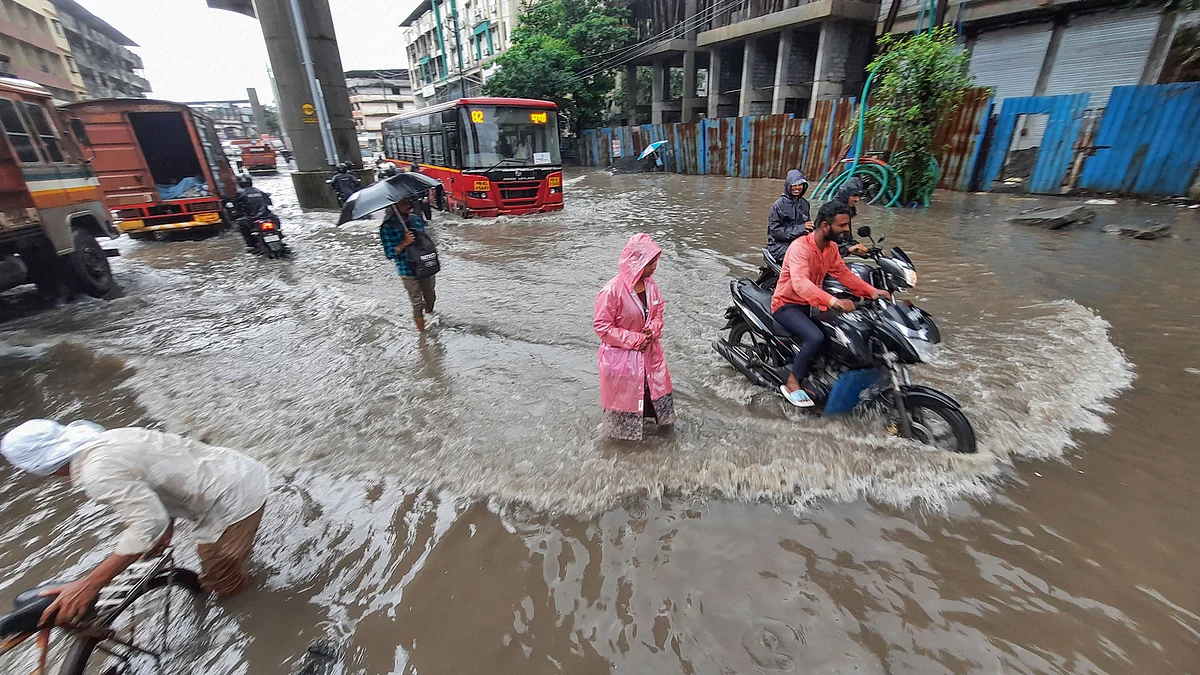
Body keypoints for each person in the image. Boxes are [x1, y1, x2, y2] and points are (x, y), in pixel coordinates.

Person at [0, 420, 270, 625]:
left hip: (234, 497)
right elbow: (166, 474)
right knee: (217, 555)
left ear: (40, 468)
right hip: (232, 468)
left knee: (222, 579)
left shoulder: (97, 473)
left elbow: (147, 525)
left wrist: (89, 584)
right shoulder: (111, 438)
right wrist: (167, 525)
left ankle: (260, 609)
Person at [771, 202, 891, 407]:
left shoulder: (831, 248)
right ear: (825, 226)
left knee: (842, 333)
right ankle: (793, 381)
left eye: (847, 225)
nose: (847, 230)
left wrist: (871, 291)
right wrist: (833, 301)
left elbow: (844, 274)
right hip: (787, 304)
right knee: (815, 337)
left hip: (812, 304)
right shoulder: (800, 248)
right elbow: (801, 284)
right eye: (842, 226)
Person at [593, 233, 676, 440]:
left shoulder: (651, 286)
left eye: (655, 262)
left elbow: (658, 313)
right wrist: (636, 339)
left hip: (651, 355)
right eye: (650, 263)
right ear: (637, 261)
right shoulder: (611, 291)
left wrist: (653, 330)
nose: (654, 267)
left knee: (656, 403)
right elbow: (602, 327)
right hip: (622, 361)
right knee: (625, 408)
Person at [379, 199, 436, 332]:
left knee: (430, 297)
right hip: (407, 269)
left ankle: (430, 315)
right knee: (417, 303)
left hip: (424, 264)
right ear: (394, 208)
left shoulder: (416, 219)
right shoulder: (387, 227)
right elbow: (389, 253)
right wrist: (404, 243)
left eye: (408, 202)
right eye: (403, 204)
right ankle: (423, 335)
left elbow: (424, 241)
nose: (408, 206)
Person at [766, 169, 813, 263]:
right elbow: (776, 231)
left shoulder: (805, 204)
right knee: (802, 257)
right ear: (788, 186)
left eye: (800, 185)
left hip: (799, 244)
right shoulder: (778, 206)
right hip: (779, 246)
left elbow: (808, 227)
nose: (797, 188)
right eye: (794, 185)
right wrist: (802, 228)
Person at [230, 174, 276, 250]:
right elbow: (269, 203)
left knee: (241, 224)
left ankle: (251, 245)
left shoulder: (240, 192)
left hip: (252, 218)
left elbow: (237, 204)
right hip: (267, 216)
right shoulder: (259, 191)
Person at [829, 177, 870, 257]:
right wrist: (849, 248)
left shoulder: (847, 210)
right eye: (854, 195)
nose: (857, 199)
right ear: (845, 194)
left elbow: (847, 238)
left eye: (859, 196)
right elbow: (826, 242)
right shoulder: (833, 211)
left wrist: (860, 248)